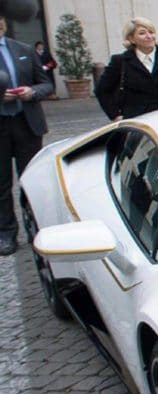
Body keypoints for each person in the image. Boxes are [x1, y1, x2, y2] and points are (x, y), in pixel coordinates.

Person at [0, 13, 52, 257]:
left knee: (30, 179)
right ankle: (6, 233)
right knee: (1, 184)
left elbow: (46, 84)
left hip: (26, 124)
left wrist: (32, 91)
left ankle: (36, 228)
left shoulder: (23, 49)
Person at [95, 18, 158, 121]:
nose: (149, 36)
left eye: (151, 32)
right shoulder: (120, 61)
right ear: (131, 39)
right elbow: (102, 90)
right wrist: (115, 116)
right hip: (136, 121)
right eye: (142, 33)